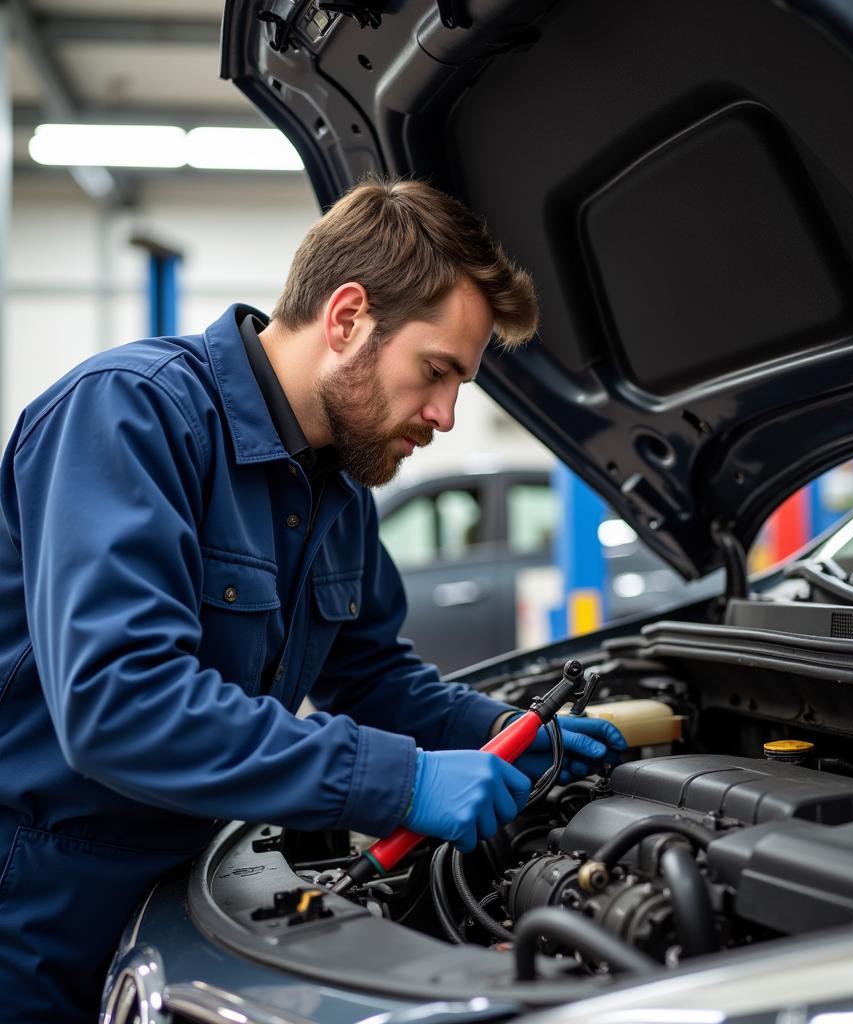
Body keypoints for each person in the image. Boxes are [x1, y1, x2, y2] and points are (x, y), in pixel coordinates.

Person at [0, 175, 626, 1021]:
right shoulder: (131, 415)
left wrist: (506, 734)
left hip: (190, 882)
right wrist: (399, 784)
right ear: (347, 318)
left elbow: (372, 677)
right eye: (436, 371)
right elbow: (121, 702)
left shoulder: (339, 491)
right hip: (42, 901)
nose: (443, 414)